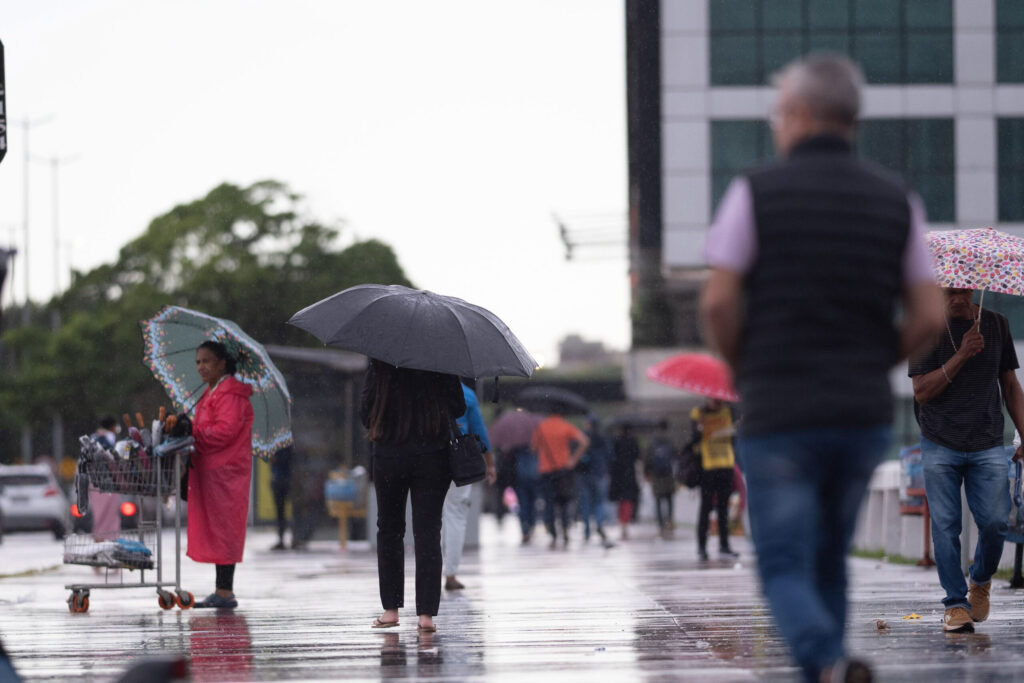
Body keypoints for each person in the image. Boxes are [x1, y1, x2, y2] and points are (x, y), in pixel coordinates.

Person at [700, 53, 943, 682]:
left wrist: (744, 366)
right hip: (859, 413)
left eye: (779, 113)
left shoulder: (754, 192)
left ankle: (826, 659)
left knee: (782, 561)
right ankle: (830, 672)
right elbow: (928, 315)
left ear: (801, 115)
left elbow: (720, 301)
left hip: (781, 410)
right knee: (829, 558)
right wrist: (872, 360)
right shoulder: (898, 200)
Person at [910, 287, 1024, 632]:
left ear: (973, 288)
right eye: (948, 293)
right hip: (939, 441)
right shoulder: (926, 326)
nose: (955, 299)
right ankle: (955, 604)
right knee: (946, 527)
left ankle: (980, 579)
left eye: (960, 292)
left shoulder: (996, 323)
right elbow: (921, 391)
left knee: (995, 522)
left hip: (987, 440)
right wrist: (962, 354)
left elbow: (1010, 385)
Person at [360, 359, 465, 632]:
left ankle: (391, 609)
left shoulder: (381, 360)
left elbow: (364, 412)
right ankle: (426, 615)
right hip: (432, 455)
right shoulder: (438, 359)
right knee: (428, 531)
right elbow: (458, 407)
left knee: (390, 529)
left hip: (389, 454)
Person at [188, 341, 255, 610]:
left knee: (226, 529)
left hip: (226, 472)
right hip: (213, 470)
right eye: (198, 362)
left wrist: (194, 434)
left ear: (221, 364)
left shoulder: (230, 394)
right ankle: (222, 590)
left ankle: (225, 591)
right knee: (218, 529)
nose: (201, 367)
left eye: (206, 361)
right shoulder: (212, 392)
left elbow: (225, 431)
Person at [441, 379, 496, 591]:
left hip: (428, 458)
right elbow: (480, 433)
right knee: (455, 515)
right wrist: (489, 464)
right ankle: (451, 574)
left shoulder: (423, 386)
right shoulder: (467, 394)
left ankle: (429, 571)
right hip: (459, 460)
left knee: (429, 517)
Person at [531, 407, 590, 548]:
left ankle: (553, 534)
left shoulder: (541, 427)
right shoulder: (565, 426)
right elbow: (585, 441)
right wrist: (573, 460)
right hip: (564, 470)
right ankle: (564, 529)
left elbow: (533, 448)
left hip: (546, 471)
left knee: (549, 503)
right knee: (564, 501)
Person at [689, 401, 738, 559]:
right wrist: (700, 425)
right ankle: (701, 547)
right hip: (707, 467)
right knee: (706, 507)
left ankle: (724, 545)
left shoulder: (729, 411)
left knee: (724, 508)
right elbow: (694, 439)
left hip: (726, 464)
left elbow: (735, 436)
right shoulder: (698, 413)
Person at [576, 415, 613, 548]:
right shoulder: (603, 438)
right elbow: (610, 456)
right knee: (599, 502)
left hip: (583, 474)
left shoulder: (582, 437)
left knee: (585, 502)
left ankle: (586, 529)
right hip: (599, 474)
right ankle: (598, 524)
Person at [89, 416, 122, 542]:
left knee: (99, 512)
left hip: (94, 479)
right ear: (112, 427)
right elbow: (112, 455)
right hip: (107, 480)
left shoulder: (92, 438)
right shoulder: (107, 438)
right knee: (109, 511)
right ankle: (108, 538)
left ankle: (99, 537)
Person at [644, 421, 677, 539]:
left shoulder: (653, 442)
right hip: (668, 474)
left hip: (657, 475)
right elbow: (675, 456)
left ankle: (661, 526)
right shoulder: (670, 440)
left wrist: (647, 473)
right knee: (669, 500)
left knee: (658, 500)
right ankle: (669, 521)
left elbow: (647, 458)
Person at [608, 424, 641, 541]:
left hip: (618, 475)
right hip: (629, 474)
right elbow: (637, 456)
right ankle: (625, 522)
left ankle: (621, 522)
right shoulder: (633, 442)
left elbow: (611, 458)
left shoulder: (616, 441)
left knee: (620, 500)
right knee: (627, 500)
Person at [269, 444, 293, 551]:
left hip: (284, 479)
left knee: (282, 511)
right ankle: (282, 537)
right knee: (281, 511)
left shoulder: (282, 445)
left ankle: (287, 537)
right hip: (281, 479)